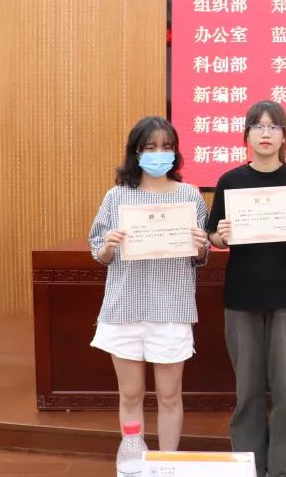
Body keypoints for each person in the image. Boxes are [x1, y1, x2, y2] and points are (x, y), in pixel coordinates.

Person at [207, 100, 286, 477]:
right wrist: (220, 235)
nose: (265, 133)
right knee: (248, 389)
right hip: (242, 297)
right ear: (246, 135)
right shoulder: (230, 181)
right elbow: (214, 235)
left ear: (284, 135)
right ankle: (249, 466)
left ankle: (284, 468)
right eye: (257, 126)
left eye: (273, 127)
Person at [88, 116, 209, 451]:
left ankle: (167, 463)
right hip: (125, 307)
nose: (159, 154)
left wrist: (200, 246)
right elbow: (99, 251)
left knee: (169, 395)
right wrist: (108, 245)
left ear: (176, 153)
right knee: (130, 393)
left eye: (166, 147)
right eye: (151, 147)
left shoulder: (189, 196)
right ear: (136, 152)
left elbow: (201, 255)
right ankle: (133, 459)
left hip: (171, 307)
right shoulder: (117, 197)